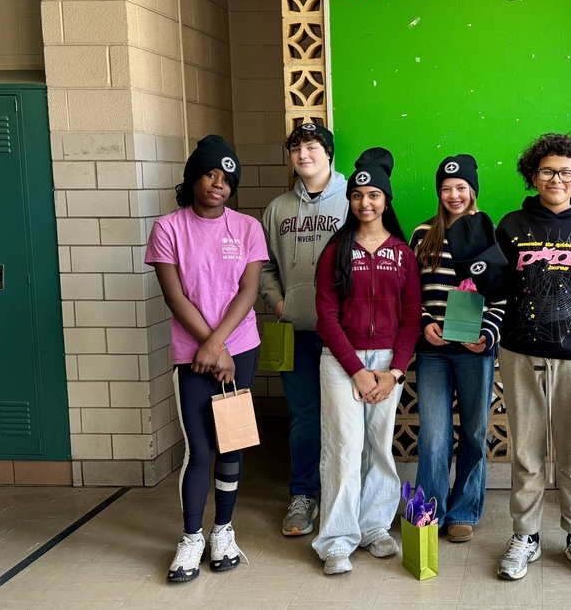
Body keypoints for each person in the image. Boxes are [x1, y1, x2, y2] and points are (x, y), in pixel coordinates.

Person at [447, 133, 571, 582]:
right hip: (520, 352)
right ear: (533, 175)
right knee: (527, 453)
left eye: (567, 172)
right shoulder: (510, 226)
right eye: (547, 171)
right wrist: (473, 273)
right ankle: (525, 534)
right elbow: (491, 290)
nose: (557, 179)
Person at [145, 135, 268, 582]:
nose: (219, 184)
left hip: (240, 349)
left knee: (231, 443)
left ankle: (223, 530)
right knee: (200, 450)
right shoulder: (168, 228)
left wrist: (222, 346)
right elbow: (174, 297)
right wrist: (212, 349)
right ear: (193, 177)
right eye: (211, 174)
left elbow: (248, 291)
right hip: (192, 356)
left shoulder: (248, 228)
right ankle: (192, 536)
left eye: (227, 178)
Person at [312, 147, 422, 575]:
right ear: (350, 201)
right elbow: (326, 316)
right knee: (343, 447)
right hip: (343, 361)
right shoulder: (335, 250)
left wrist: (394, 372)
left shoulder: (402, 252)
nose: (365, 202)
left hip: (386, 366)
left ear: (385, 200)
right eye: (358, 195)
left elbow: (411, 318)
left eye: (374, 195)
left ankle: (375, 526)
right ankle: (337, 540)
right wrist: (356, 370)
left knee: (379, 446)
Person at [410, 154, 504, 544]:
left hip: (474, 349)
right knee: (433, 435)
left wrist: (487, 334)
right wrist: (423, 322)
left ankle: (464, 510)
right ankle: (430, 512)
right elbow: (408, 292)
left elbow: (501, 296)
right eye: (446, 188)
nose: (454, 195)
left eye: (461, 187)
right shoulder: (421, 234)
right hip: (432, 350)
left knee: (475, 432)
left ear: (473, 191)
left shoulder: (489, 234)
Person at [260, 123, 348, 537]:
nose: (303, 155)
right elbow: (262, 266)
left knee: (346, 416)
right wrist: (279, 302)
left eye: (312, 147)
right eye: (296, 148)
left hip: (344, 334)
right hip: (295, 329)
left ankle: (344, 495)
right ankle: (303, 494)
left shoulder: (353, 201)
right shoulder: (277, 209)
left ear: (329, 152)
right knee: (303, 415)